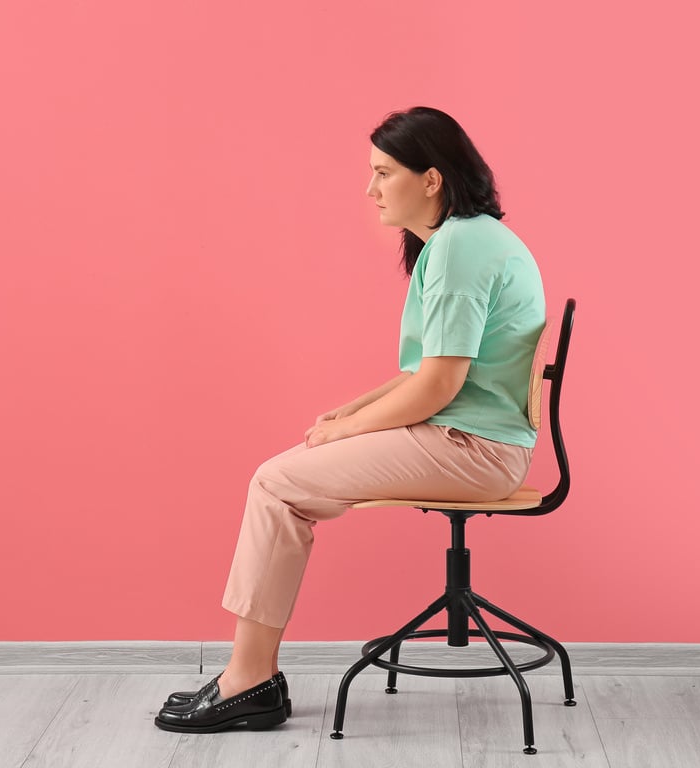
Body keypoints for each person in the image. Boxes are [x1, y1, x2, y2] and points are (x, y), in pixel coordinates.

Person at [154, 106, 546, 734]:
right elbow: (436, 371)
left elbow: (440, 386)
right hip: (472, 440)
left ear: (432, 179)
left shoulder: (460, 248)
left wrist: (347, 431)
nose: (371, 190)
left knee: (275, 484)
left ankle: (248, 680)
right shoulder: (466, 239)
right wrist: (358, 407)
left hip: (472, 449)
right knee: (281, 479)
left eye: (384, 173)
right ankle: (248, 677)